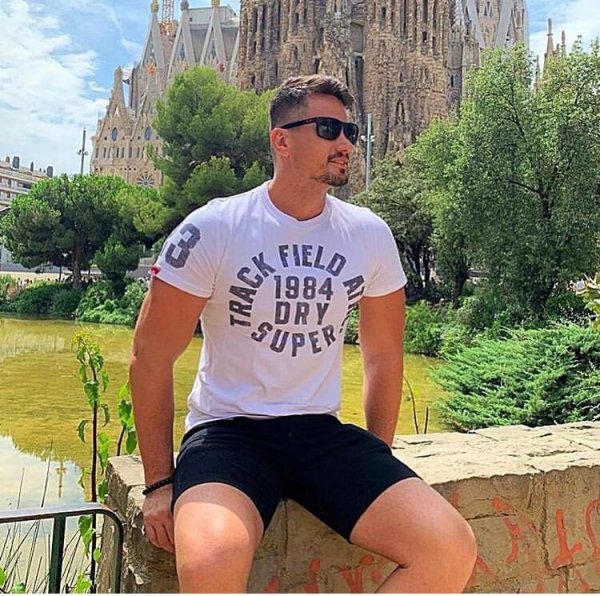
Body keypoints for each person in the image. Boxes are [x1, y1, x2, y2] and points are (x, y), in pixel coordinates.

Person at [130, 74, 477, 593]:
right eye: (328, 129)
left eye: (349, 131)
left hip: (320, 433)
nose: (346, 143)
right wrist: (159, 481)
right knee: (210, 564)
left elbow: (383, 355)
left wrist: (376, 458)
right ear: (282, 140)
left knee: (450, 547)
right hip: (228, 433)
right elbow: (150, 355)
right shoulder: (214, 227)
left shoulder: (368, 234)